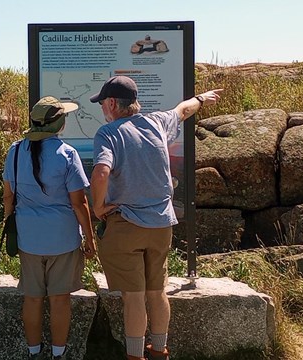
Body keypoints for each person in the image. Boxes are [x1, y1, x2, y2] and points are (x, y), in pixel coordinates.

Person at [89, 76, 222, 360]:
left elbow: (101, 172)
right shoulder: (158, 122)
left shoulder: (108, 133)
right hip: (162, 224)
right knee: (157, 291)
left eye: (102, 103)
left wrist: (98, 207)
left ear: (112, 103)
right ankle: (160, 351)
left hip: (126, 225)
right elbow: (183, 110)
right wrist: (201, 98)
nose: (102, 109)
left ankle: (135, 356)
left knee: (134, 297)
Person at [3, 96, 96, 360]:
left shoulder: (15, 151)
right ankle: (58, 354)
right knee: (60, 299)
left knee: (32, 298)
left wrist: (12, 222)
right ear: (58, 124)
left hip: (28, 238)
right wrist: (90, 240)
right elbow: (79, 203)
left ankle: (34, 352)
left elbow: (8, 196)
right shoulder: (67, 154)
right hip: (63, 239)